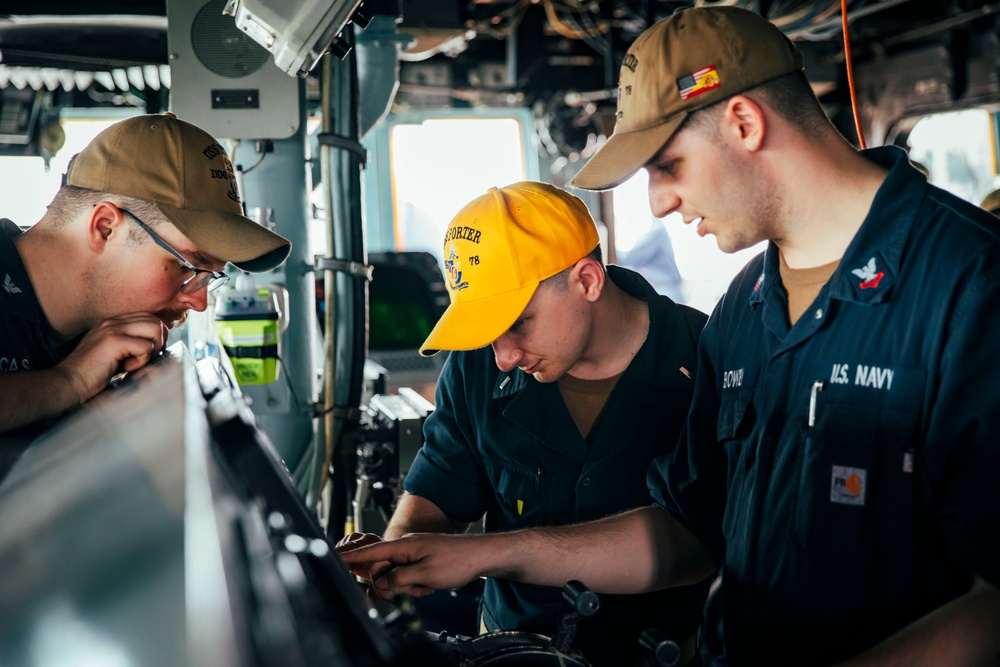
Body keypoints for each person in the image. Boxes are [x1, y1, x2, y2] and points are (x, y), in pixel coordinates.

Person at [340, 7, 1000, 666]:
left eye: (668, 164)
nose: (657, 202)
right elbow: (687, 533)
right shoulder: (745, 311)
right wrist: (484, 552)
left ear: (744, 123)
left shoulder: (971, 286)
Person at [339, 181, 710, 666]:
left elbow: (694, 544)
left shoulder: (706, 360)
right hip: (507, 650)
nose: (505, 358)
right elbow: (438, 493)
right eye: (490, 332)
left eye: (517, 322)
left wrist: (484, 554)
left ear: (587, 280)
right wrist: (397, 557)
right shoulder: (476, 367)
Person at [0, 112, 291, 435]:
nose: (199, 303)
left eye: (210, 278)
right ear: (105, 227)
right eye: (186, 266)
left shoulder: (98, 341)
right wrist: (70, 382)